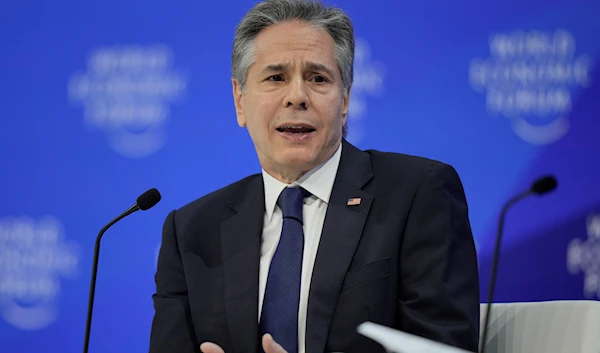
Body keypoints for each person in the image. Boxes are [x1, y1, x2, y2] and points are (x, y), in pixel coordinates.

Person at [149, 0, 480, 352]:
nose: (297, 97)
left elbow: (443, 346)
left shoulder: (417, 194)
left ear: (346, 99)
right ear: (240, 100)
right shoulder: (192, 231)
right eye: (275, 78)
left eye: (318, 78)